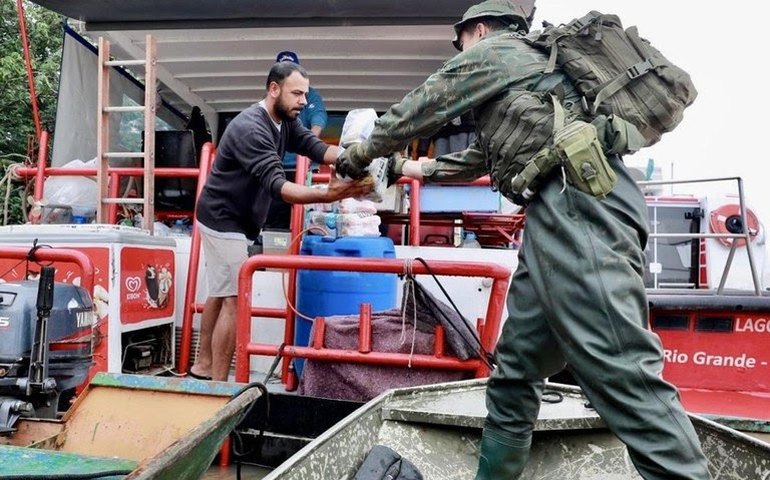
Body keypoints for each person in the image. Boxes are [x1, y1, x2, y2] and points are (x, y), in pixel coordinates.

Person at [335, 1, 710, 479]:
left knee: (623, 370)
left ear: (480, 28)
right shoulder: (530, 72)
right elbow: (483, 157)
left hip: (582, 208)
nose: (459, 51)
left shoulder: (496, 52)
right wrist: (409, 167)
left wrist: (360, 154)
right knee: (516, 372)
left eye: (461, 41)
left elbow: (423, 107)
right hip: (561, 213)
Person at [190, 61, 371, 382]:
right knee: (235, 299)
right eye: (297, 93)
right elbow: (281, 188)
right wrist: (329, 195)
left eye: (305, 94)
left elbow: (315, 147)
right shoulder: (251, 128)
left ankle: (202, 365)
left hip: (237, 220)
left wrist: (354, 158)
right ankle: (218, 389)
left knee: (219, 292)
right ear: (274, 90)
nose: (304, 101)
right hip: (222, 220)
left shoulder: (285, 121)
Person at [263, 50, 329, 230]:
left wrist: (309, 147)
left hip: (302, 167)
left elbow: (319, 118)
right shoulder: (268, 103)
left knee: (304, 214)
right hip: (276, 166)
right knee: (275, 213)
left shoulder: (309, 96)